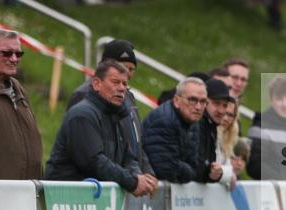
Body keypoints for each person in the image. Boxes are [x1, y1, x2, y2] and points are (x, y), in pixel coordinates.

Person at [45, 60, 158, 196]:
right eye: (115, 82)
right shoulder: (82, 115)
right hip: (66, 199)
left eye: (125, 84)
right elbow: (94, 161)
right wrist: (132, 182)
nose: (122, 88)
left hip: (93, 202)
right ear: (97, 84)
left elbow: (128, 158)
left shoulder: (118, 117)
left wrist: (139, 177)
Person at [68, 39, 152, 175]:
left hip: (124, 179)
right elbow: (86, 151)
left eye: (131, 69)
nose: (128, 73)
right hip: (96, 183)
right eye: (122, 67)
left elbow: (136, 143)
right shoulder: (83, 95)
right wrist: (128, 178)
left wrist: (146, 172)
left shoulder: (129, 97)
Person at [0, 28, 42, 179]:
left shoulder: (18, 88)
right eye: (6, 53)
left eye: (18, 54)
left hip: (24, 192)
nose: (14, 59)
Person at [141, 77, 205, 183]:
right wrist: (186, 170)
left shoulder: (193, 121)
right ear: (176, 100)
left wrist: (182, 167)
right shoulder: (164, 120)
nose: (198, 107)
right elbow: (166, 169)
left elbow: (195, 166)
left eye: (203, 101)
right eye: (192, 100)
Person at [196, 78, 235, 187]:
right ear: (204, 101)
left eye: (224, 105)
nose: (221, 110)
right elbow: (196, 169)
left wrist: (216, 174)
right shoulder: (196, 125)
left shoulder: (211, 127)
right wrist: (214, 173)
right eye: (216, 103)